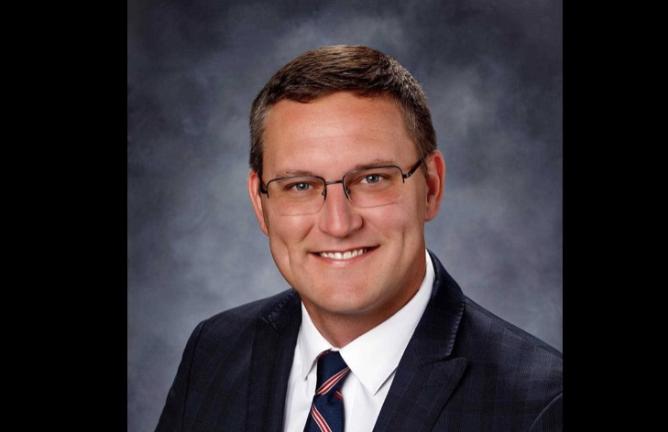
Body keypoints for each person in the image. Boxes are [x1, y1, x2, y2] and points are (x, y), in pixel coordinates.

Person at [155, 45, 562, 432]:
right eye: (300, 186)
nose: (338, 223)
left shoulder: (541, 405)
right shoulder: (214, 352)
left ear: (431, 187)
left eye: (372, 179)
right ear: (260, 204)